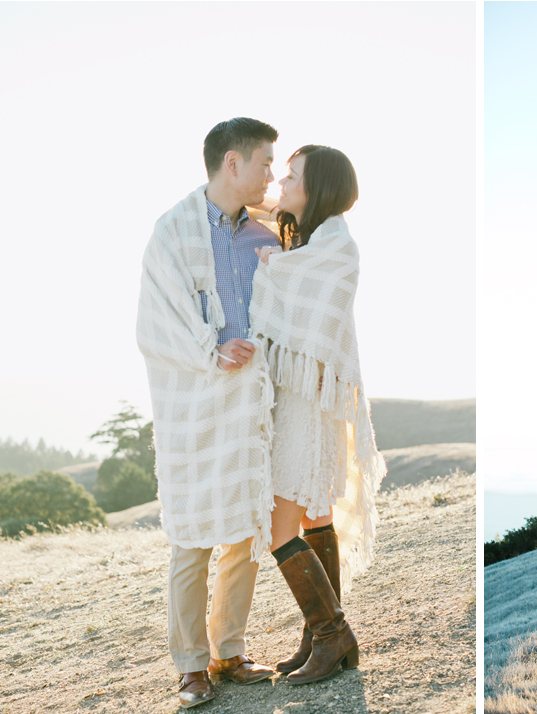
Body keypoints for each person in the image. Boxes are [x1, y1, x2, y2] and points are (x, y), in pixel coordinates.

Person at [136, 117, 281, 708]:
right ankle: (191, 665)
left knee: (246, 529)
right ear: (232, 162)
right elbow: (154, 322)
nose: (271, 174)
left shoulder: (269, 231)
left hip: (252, 399)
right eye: (266, 162)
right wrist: (210, 349)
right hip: (195, 401)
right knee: (193, 537)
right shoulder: (171, 231)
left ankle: (230, 650)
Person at [248, 144, 386, 684]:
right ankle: (321, 639)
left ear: (319, 187)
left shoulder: (334, 248)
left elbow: (288, 294)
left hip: (309, 404)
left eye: (292, 174)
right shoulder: (309, 239)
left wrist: (271, 267)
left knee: (282, 529)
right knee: (314, 517)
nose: (282, 180)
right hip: (309, 397)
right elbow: (258, 211)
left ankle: (333, 634)